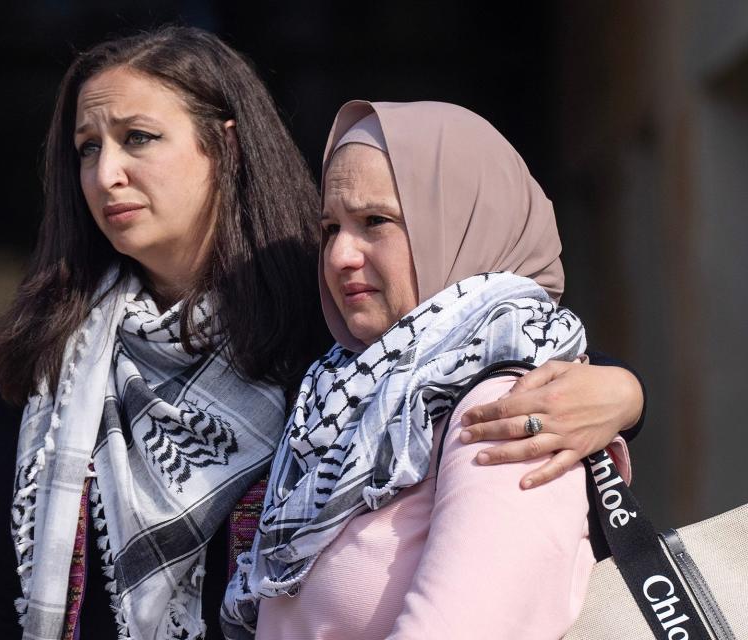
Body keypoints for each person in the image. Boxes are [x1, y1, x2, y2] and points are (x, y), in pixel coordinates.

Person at [0, 27, 644, 640]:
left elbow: (482, 360)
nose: (106, 174)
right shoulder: (53, 353)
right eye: (86, 149)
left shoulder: (325, 324)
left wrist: (623, 389)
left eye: (138, 137)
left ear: (223, 145)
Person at [222, 101, 632, 640]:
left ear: (463, 222)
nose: (340, 254)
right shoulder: (342, 393)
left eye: (376, 222)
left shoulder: (512, 406)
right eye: (330, 228)